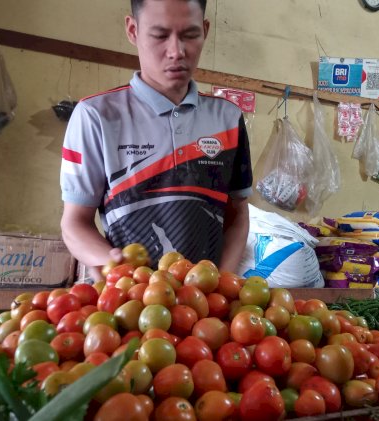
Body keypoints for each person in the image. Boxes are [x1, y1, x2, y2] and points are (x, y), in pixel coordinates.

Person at [60, 0, 252, 279]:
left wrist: (221, 283)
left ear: (206, 31)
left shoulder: (229, 120)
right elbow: (74, 223)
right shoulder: (95, 117)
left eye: (190, 34)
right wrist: (111, 261)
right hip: (127, 305)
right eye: (160, 35)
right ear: (133, 30)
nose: (177, 52)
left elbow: (237, 216)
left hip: (206, 311)